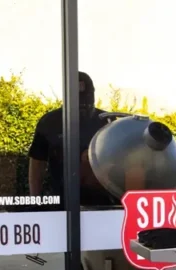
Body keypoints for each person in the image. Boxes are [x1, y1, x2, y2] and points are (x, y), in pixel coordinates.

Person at [27, 71, 117, 206]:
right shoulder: (50, 122)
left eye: (86, 101)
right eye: (77, 101)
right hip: (61, 202)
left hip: (101, 202)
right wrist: (35, 201)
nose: (81, 108)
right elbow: (37, 163)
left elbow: (118, 163)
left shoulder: (107, 121)